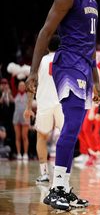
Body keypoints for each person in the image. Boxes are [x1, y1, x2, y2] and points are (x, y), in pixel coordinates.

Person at [25, 0, 100, 211]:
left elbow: (91, 43)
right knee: (70, 127)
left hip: (84, 67)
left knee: (74, 127)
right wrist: (32, 72)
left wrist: (96, 78)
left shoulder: (92, 0)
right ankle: (56, 188)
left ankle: (65, 188)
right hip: (68, 64)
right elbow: (46, 31)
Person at [24, 35, 64, 184]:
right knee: (66, 136)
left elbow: (31, 84)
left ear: (46, 47)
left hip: (44, 102)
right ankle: (62, 172)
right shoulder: (66, 59)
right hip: (62, 102)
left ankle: (44, 173)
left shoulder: (39, 61)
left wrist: (28, 107)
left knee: (41, 137)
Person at [13, 81, 30, 161]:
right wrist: (13, 76)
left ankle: (25, 154)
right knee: (18, 137)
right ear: (18, 87)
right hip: (16, 117)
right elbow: (12, 84)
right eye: (20, 85)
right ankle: (19, 153)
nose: (21, 87)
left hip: (25, 118)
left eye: (23, 86)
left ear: (25, 87)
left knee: (24, 136)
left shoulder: (28, 95)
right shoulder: (15, 93)